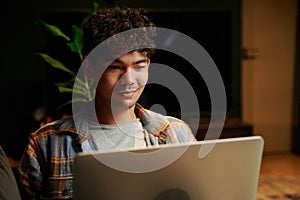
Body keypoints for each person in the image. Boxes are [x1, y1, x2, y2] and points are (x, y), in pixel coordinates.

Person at [18, 6, 196, 199]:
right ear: (89, 68)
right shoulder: (46, 143)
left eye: (139, 66)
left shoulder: (176, 134)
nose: (129, 79)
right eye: (115, 67)